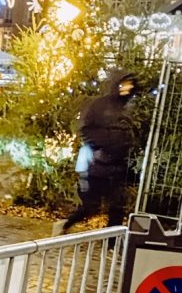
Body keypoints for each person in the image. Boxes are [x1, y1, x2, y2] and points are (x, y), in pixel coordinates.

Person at [53, 68, 138, 235]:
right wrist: (104, 144)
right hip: (99, 165)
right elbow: (86, 129)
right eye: (124, 84)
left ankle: (111, 242)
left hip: (118, 167)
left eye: (130, 85)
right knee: (91, 206)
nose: (127, 88)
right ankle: (65, 225)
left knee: (117, 208)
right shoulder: (100, 105)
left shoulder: (127, 108)